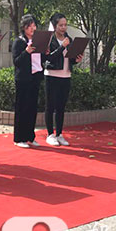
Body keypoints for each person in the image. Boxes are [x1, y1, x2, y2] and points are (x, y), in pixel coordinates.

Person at [43, 13, 83, 147]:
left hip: (66, 76)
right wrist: (62, 47)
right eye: (61, 25)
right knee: (50, 106)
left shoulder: (69, 39)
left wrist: (76, 60)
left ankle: (59, 134)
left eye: (65, 25)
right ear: (55, 26)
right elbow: (49, 58)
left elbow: (70, 58)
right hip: (52, 75)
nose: (63, 27)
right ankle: (50, 134)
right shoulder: (50, 40)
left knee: (61, 106)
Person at [12, 14, 47, 148]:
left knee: (32, 108)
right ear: (24, 27)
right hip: (23, 79)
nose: (32, 28)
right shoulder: (19, 42)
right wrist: (26, 52)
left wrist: (46, 53)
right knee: (22, 108)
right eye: (29, 26)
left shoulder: (38, 41)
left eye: (34, 26)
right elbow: (17, 61)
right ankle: (19, 138)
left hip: (35, 77)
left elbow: (41, 59)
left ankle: (30, 137)